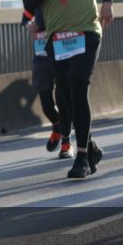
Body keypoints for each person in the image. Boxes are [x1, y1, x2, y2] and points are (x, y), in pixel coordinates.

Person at [23, 0, 117, 179]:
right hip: (55, 39)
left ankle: (83, 158)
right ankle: (93, 147)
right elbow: (28, 4)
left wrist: (107, 2)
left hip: (86, 31)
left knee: (77, 84)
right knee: (65, 95)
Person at [24, 8, 73, 158]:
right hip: (41, 57)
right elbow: (25, 16)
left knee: (63, 99)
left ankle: (66, 142)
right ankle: (57, 125)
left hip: (60, 53)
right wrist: (28, 24)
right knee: (46, 104)